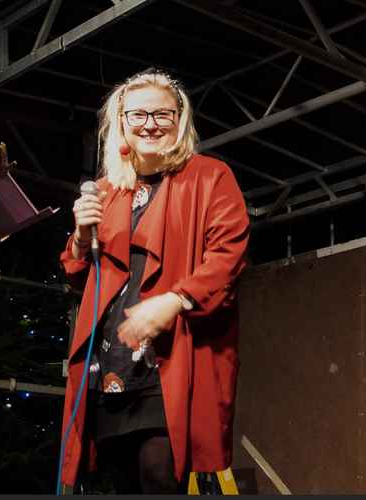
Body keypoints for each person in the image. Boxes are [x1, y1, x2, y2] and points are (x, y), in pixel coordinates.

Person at [59, 69, 250, 493]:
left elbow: (228, 254)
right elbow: (76, 276)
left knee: (159, 473)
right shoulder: (107, 190)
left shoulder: (209, 176)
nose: (150, 124)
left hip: (171, 359)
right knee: (119, 480)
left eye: (162, 114)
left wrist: (176, 300)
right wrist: (80, 236)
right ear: (121, 121)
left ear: (179, 120)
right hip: (112, 361)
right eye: (138, 114)